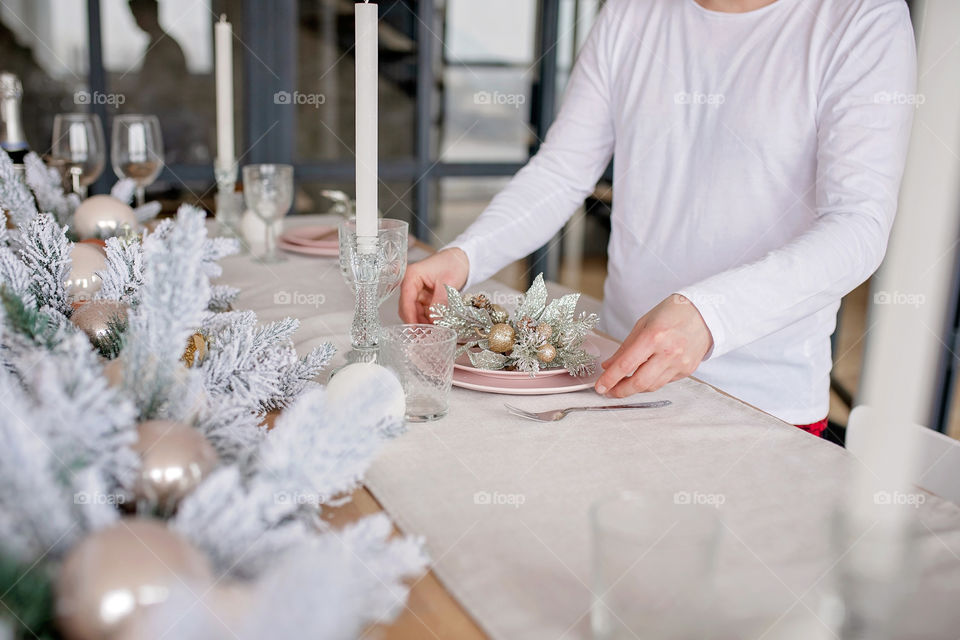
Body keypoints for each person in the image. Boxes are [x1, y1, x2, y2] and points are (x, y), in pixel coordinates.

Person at [398, 0, 917, 436]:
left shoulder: (862, 17)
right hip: (613, 381)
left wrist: (709, 315)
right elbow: (561, 172)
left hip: (763, 409)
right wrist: (468, 255)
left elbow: (858, 225)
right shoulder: (631, 9)